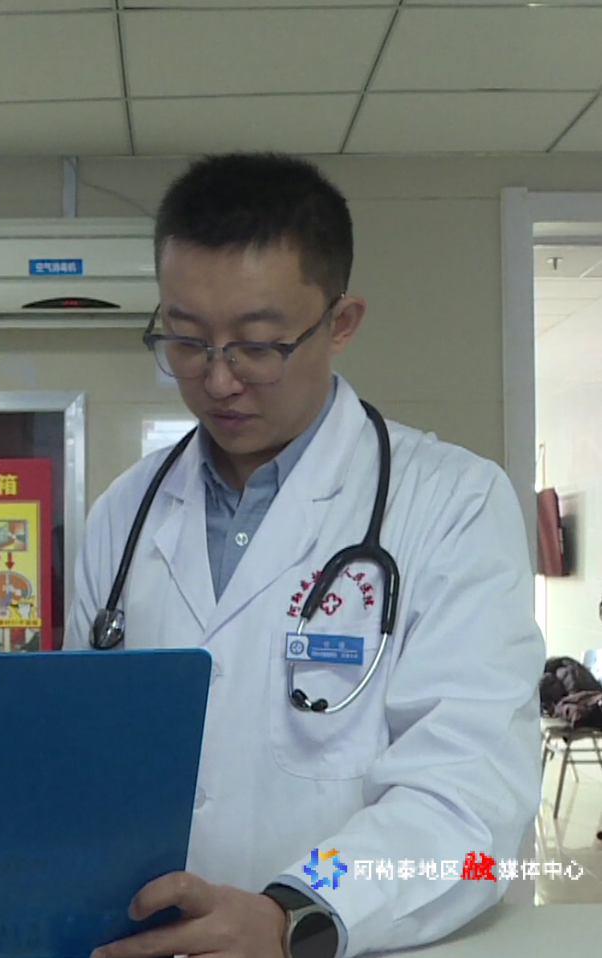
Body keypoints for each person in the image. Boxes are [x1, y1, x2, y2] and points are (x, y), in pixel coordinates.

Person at [64, 154, 544, 958]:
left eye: (257, 345)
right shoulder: (124, 512)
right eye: (186, 339)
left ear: (341, 323)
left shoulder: (451, 503)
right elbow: (79, 760)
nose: (218, 380)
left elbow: (470, 802)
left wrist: (296, 911)